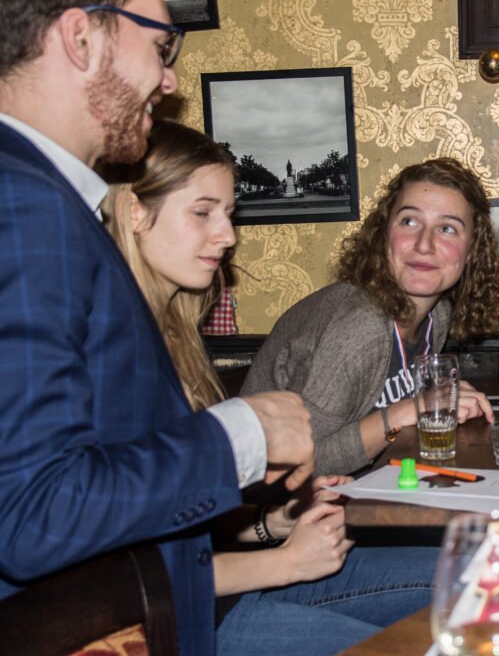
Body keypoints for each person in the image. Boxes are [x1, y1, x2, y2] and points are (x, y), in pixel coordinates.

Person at [0, 0, 314, 653]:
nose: (169, 80)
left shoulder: (43, 198)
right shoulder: (27, 204)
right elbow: (33, 514)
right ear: (81, 38)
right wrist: (242, 434)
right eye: (160, 46)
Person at [103, 118, 436, 654]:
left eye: (228, 213)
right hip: (185, 624)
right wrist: (284, 563)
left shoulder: (172, 335)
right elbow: (117, 573)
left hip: (235, 585)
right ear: (135, 212)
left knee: (476, 570)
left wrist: (274, 523)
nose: (228, 235)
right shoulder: (114, 349)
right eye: (203, 212)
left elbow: (177, 520)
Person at [242, 157, 499, 475]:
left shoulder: (437, 315)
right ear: (383, 234)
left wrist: (435, 399)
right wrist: (405, 412)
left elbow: (392, 423)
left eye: (447, 229)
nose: (424, 244)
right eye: (409, 222)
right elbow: (292, 465)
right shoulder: (359, 329)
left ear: (471, 251)